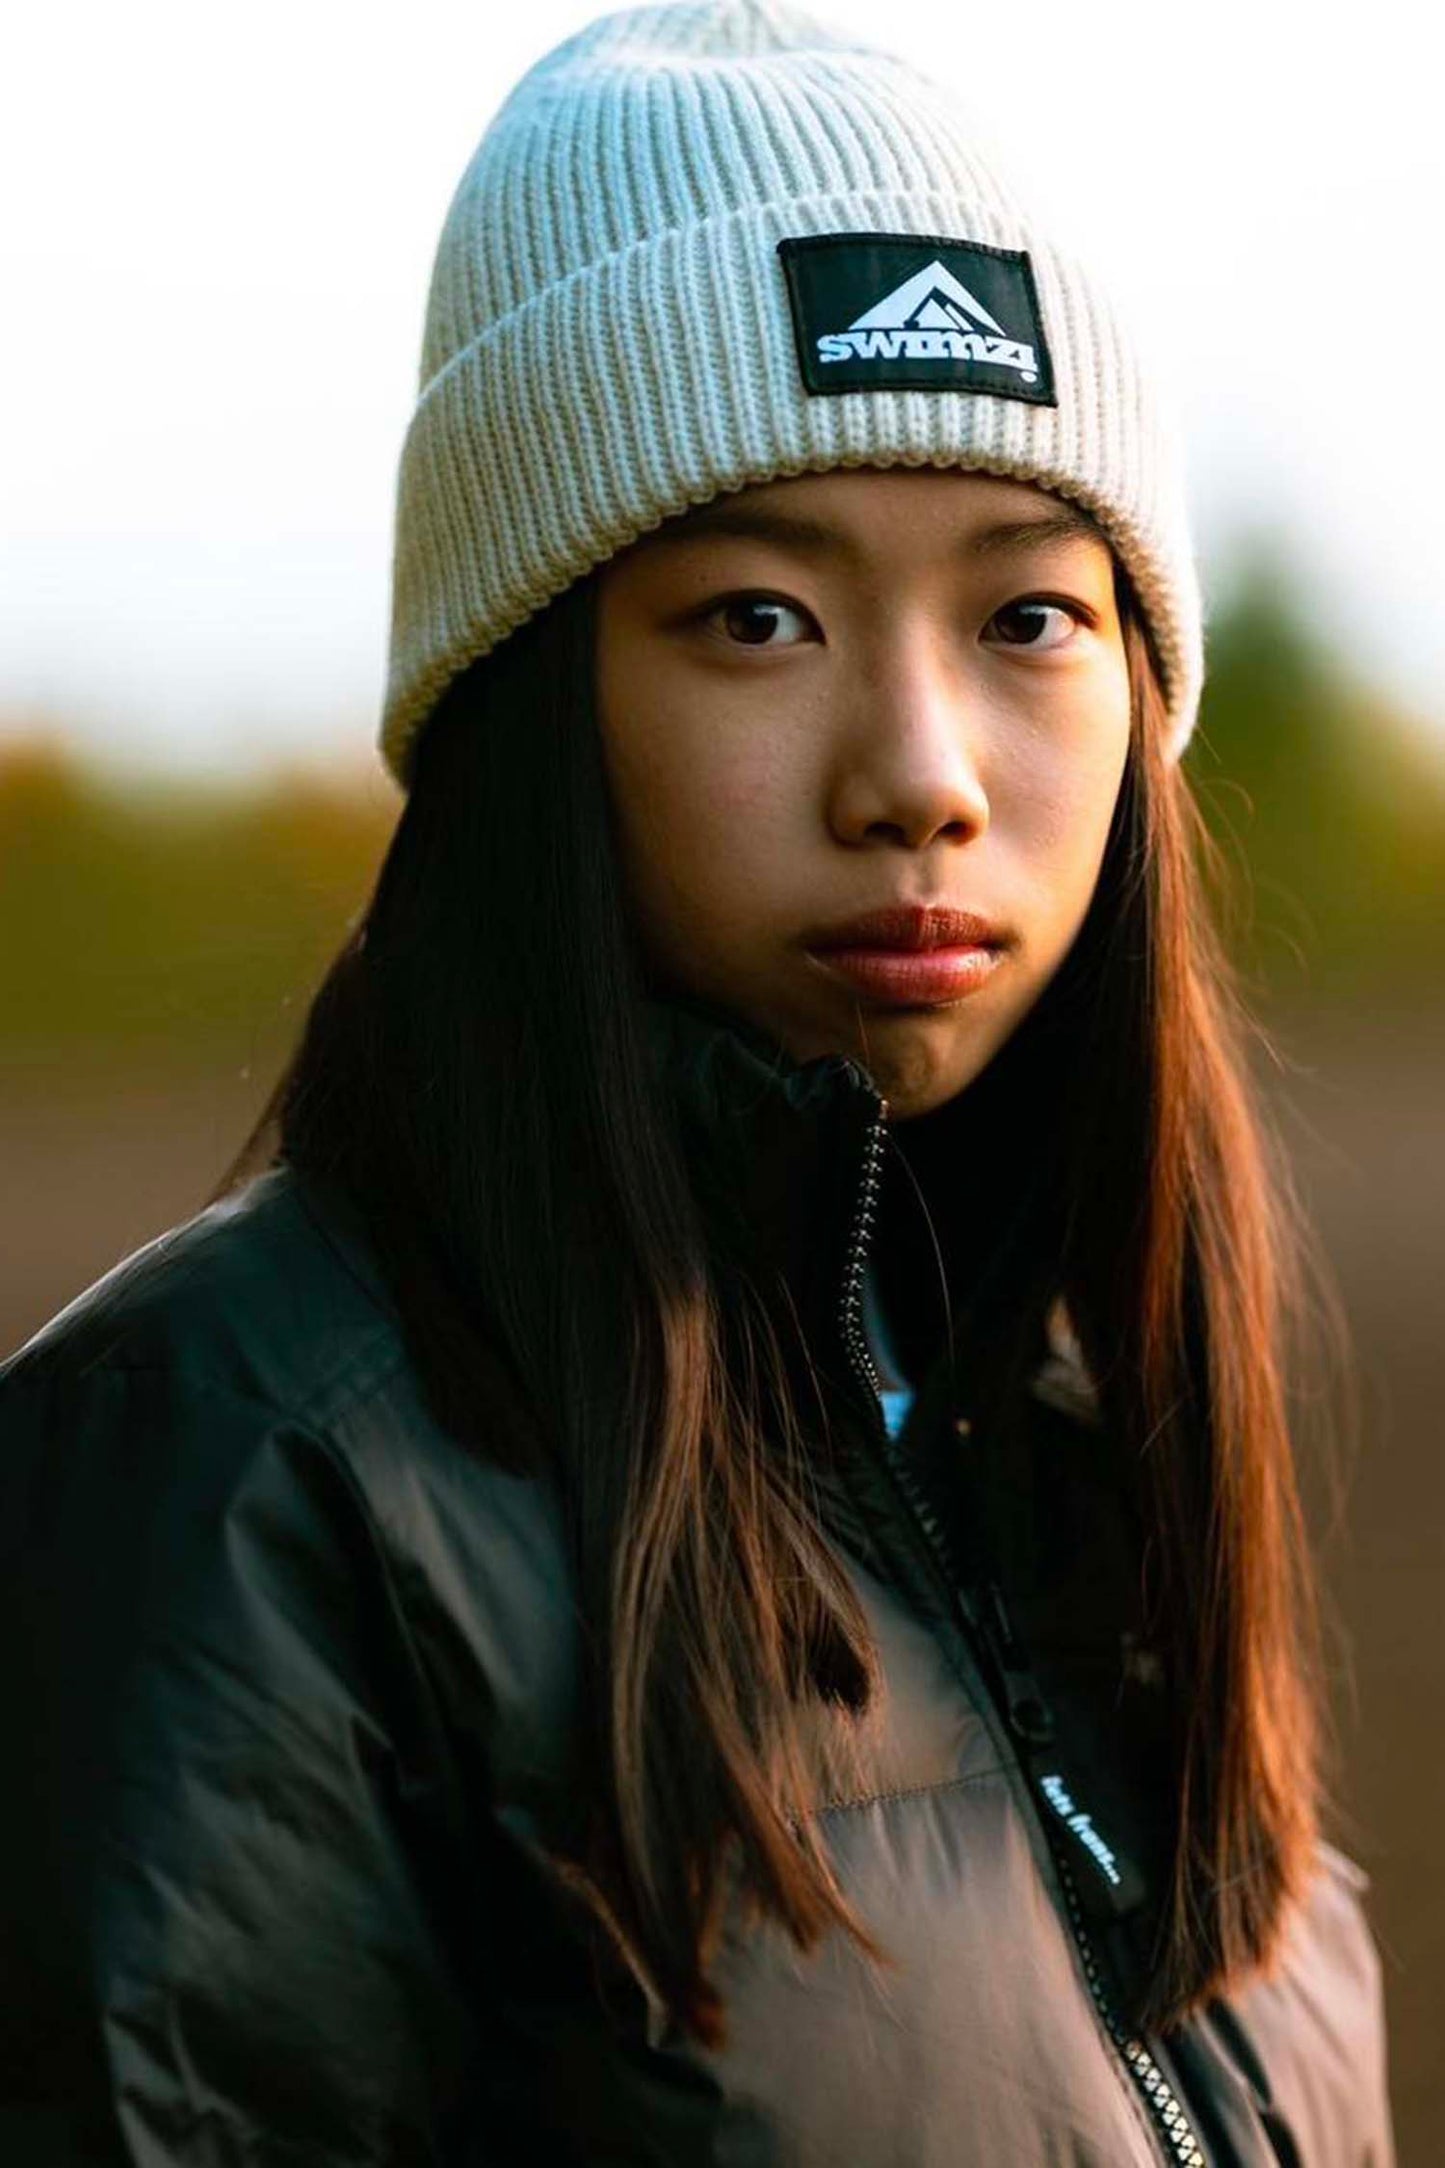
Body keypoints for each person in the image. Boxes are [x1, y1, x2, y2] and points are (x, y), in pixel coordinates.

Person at [0, 1, 1396, 2161]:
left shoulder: (1078, 1486)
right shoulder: (237, 1481)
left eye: (1029, 618)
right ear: (526, 700)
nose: (922, 775)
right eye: (757, 616)